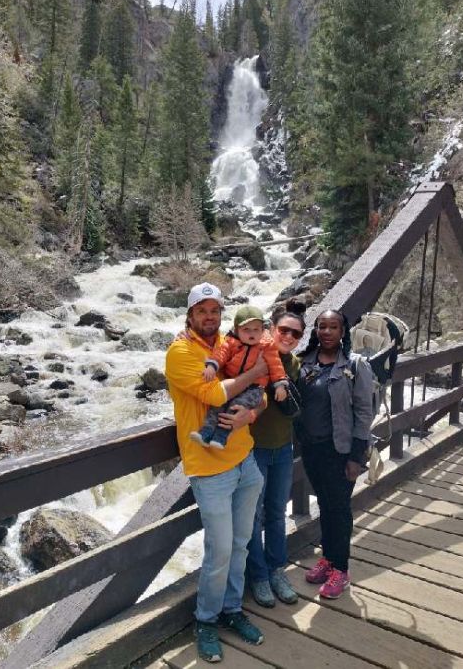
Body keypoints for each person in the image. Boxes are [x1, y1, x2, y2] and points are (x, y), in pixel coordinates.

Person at [165, 282, 268, 663]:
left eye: (215, 310)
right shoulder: (180, 352)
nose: (209, 317)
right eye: (202, 310)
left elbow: (267, 387)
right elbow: (214, 395)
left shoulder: (231, 343)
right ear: (190, 315)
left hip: (246, 460)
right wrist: (253, 371)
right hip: (209, 470)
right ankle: (206, 620)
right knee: (220, 550)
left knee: (240, 545)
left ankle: (231, 610)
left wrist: (252, 413)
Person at [295, 309, 373, 599]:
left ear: (343, 332)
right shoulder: (305, 363)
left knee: (339, 508)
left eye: (333, 327)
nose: (327, 332)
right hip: (313, 450)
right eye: (322, 326)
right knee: (326, 506)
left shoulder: (356, 365)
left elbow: (365, 412)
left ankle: (341, 569)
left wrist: (356, 456)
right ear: (315, 331)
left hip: (341, 451)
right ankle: (328, 559)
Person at [246, 298, 306, 608]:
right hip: (253, 450)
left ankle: (277, 571)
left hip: (282, 450)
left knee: (277, 514)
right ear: (272, 329)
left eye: (295, 334)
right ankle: (258, 576)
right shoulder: (254, 357)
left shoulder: (295, 366)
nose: (288, 337)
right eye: (283, 330)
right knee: (253, 517)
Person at [190, 304, 288, 449]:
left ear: (262, 330)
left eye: (256, 329)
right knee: (217, 406)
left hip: (254, 388)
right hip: (233, 383)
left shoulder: (267, 346)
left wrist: (280, 385)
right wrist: (212, 365)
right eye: (246, 329)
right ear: (237, 330)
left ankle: (221, 437)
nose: (251, 333)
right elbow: (220, 354)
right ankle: (206, 432)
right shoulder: (231, 343)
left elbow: (276, 365)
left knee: (236, 407)